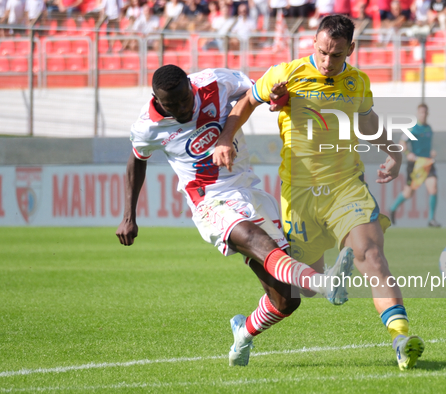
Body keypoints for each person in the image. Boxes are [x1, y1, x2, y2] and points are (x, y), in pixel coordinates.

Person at [213, 15, 425, 371]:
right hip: (300, 197)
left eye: (337, 56)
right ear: (313, 42)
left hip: (346, 187)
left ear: (351, 50)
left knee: (370, 254)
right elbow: (245, 103)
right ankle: (244, 329)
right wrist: (224, 138)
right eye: (323, 52)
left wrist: (394, 151)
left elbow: (367, 120)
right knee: (302, 290)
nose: (328, 63)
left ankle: (401, 338)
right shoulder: (286, 75)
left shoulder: (356, 81)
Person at [116, 65, 355, 367]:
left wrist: (275, 97)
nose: (180, 109)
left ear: (191, 86)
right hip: (210, 202)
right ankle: (326, 282)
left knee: (289, 299)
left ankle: (243, 332)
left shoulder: (217, 82)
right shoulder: (147, 126)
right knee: (258, 241)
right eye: (170, 104)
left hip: (249, 191)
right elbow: (136, 160)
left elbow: (254, 93)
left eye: (183, 100)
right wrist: (129, 215)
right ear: (156, 99)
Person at [389, 103, 441, 228]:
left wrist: (431, 152)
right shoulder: (412, 128)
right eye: (421, 112)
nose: (423, 115)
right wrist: (408, 153)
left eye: (425, 112)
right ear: (418, 114)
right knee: (408, 193)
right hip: (415, 165)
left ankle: (431, 219)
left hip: (427, 163)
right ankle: (392, 209)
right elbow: (402, 143)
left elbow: (426, 146)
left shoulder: (429, 128)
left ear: (428, 114)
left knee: (433, 187)